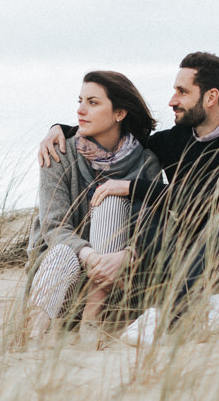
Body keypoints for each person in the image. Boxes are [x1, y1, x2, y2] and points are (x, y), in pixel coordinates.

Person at [38, 52, 219, 344]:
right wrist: (62, 130)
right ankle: (191, 310)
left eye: (182, 91)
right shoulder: (172, 140)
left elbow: (208, 204)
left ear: (211, 97)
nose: (172, 100)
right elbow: (117, 132)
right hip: (194, 265)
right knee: (153, 218)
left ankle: (173, 315)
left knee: (211, 223)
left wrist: (133, 187)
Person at [26, 70, 162, 336]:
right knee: (63, 252)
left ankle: (93, 318)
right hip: (62, 278)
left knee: (110, 198)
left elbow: (153, 226)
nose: (81, 110)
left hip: (117, 280)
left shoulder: (146, 161)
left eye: (93, 102)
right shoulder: (58, 152)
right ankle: (33, 338)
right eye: (80, 101)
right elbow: (54, 228)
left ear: (119, 113)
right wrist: (90, 256)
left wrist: (126, 255)